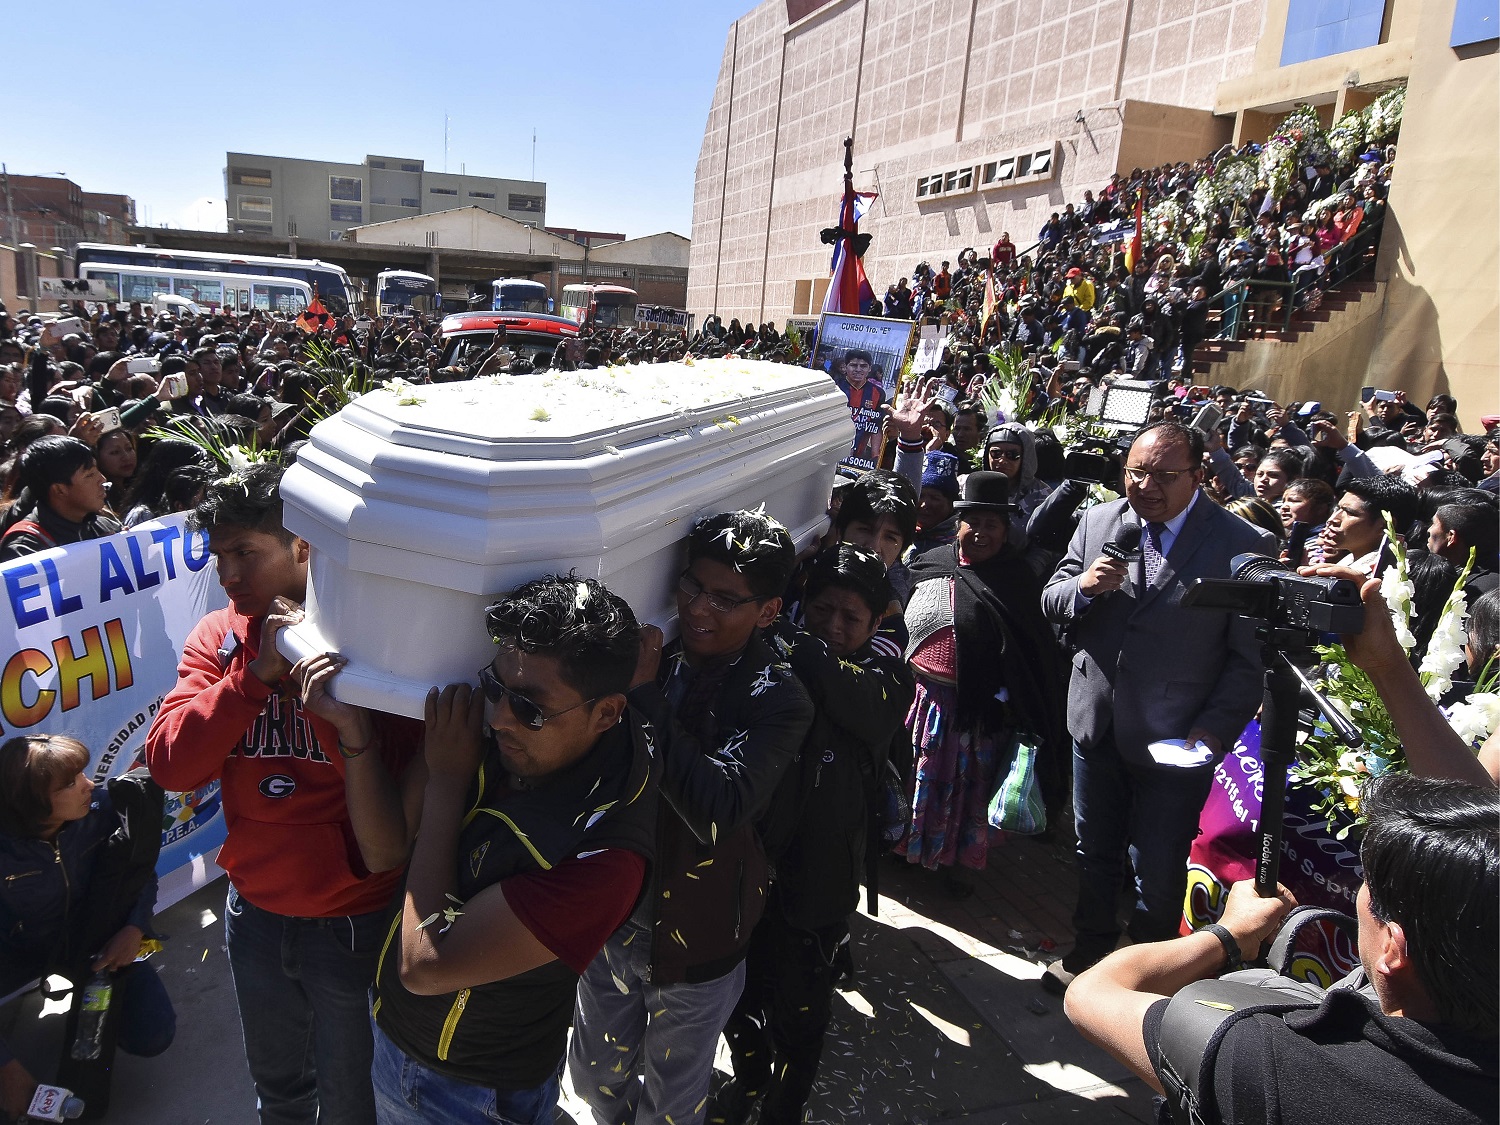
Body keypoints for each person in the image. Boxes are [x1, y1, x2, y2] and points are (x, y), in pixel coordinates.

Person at [145, 463, 421, 1125]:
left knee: (354, 1096)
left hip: (353, 920)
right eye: (219, 558)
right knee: (280, 1092)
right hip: (255, 916)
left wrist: (322, 694)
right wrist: (254, 678)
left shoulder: (370, 643)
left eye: (247, 553)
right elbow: (170, 764)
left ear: (303, 545)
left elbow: (393, 802)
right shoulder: (219, 640)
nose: (230, 575)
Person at [330, 576, 658, 1125]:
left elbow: (425, 966)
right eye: (495, 685)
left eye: (530, 707)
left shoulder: (603, 860)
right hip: (405, 1043)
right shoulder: (508, 737)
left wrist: (446, 784)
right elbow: (384, 851)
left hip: (463, 1093)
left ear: (606, 713)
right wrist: (354, 730)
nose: (501, 716)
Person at [1064, 774, 1498, 1125]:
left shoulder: (1272, 1060)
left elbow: (1092, 994)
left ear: (1394, 948)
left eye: (1368, 883)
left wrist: (1229, 935)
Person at [569, 510, 813, 1125]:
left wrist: (645, 699)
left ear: (769, 610)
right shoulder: (657, 651)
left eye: (727, 599)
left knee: (671, 1102)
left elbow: (716, 810)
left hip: (701, 933)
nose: (701, 608)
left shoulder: (780, 698)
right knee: (596, 1079)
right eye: (693, 587)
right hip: (612, 914)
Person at [1040, 420, 1274, 992]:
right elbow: (1052, 597)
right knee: (1093, 852)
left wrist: (1212, 733)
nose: (1146, 486)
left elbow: (1248, 663)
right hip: (1096, 725)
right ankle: (1088, 957)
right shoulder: (1098, 522)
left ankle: (1142, 977)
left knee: (1158, 868)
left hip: (1177, 742)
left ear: (1198, 476)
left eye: (1165, 476)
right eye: (1136, 472)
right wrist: (1085, 588)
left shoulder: (1241, 544)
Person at [714, 545, 915, 1125]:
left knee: (801, 1014)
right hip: (751, 876)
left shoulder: (884, 677)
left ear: (878, 623)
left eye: (851, 618)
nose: (832, 626)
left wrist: (796, 641)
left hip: (820, 885)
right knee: (739, 999)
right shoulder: (768, 660)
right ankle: (749, 1079)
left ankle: (785, 1107)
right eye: (822, 608)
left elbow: (867, 708)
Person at [899, 472, 1066, 894]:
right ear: (959, 524)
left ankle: (947, 862)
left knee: (960, 793)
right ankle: (904, 849)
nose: (981, 532)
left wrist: (1006, 693)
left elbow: (1030, 651)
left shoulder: (1015, 581)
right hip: (919, 700)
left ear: (1006, 531)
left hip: (974, 713)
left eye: (993, 524)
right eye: (973, 522)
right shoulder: (929, 562)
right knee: (910, 777)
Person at [0, 736, 174, 1122]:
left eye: (81, 772)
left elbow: (138, 873)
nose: (88, 784)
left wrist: (134, 927)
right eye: (69, 783)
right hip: (16, 955)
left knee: (153, 1035)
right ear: (29, 803)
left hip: (93, 946)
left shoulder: (103, 808)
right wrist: (7, 1069)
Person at [0, 436, 122, 560]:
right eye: (90, 475)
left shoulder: (105, 527)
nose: (102, 480)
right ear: (59, 490)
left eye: (98, 471)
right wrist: (94, 558)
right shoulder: (25, 549)